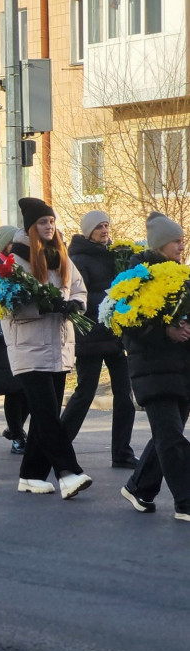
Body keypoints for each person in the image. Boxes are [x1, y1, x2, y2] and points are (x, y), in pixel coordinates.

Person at [3, 197, 91, 499]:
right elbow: (7, 308)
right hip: (29, 349)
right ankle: (69, 473)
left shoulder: (61, 256)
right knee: (48, 416)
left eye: (51, 222)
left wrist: (75, 304)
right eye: (43, 222)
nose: (49, 227)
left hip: (59, 346)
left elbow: (78, 286)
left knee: (46, 415)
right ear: (31, 227)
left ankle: (30, 475)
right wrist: (41, 305)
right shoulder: (15, 262)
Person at [120, 212, 190, 520]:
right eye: (177, 240)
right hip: (152, 369)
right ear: (162, 244)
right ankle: (186, 502)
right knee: (172, 437)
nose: (182, 246)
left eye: (183, 240)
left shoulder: (181, 275)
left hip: (181, 370)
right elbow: (128, 325)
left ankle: (140, 486)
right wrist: (167, 331)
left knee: (166, 435)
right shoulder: (136, 278)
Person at [60, 210, 138, 469]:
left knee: (124, 394)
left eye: (107, 225)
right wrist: (111, 299)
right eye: (99, 227)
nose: (105, 230)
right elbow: (79, 296)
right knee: (85, 392)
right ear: (88, 231)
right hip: (90, 336)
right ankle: (58, 445)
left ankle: (122, 452)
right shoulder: (78, 258)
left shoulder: (114, 255)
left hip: (114, 335)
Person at [0, 225, 30, 455]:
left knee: (29, 389)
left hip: (24, 332)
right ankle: (17, 435)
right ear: (6, 245)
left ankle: (16, 429)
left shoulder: (26, 266)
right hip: (3, 335)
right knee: (13, 390)